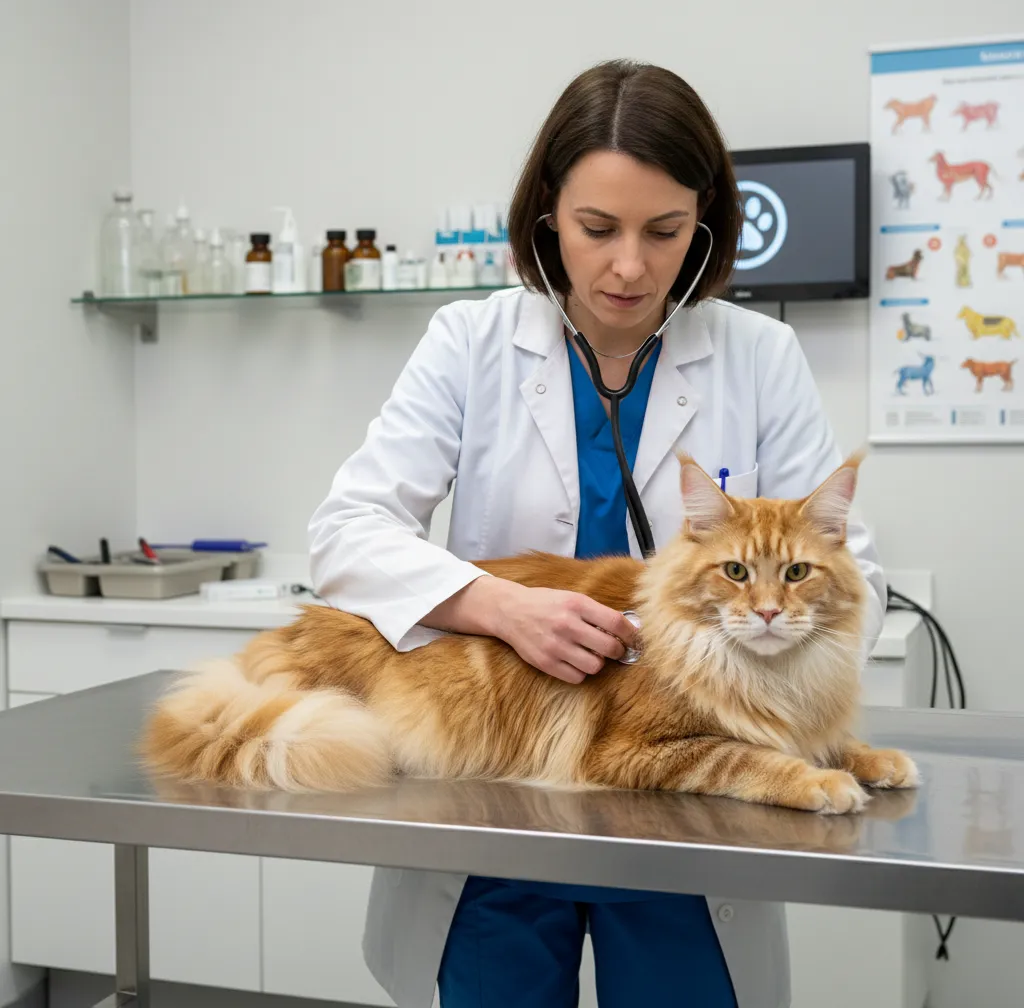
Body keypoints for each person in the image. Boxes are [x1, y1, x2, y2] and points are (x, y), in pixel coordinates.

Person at [309, 59, 885, 1008]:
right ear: (547, 217)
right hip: (504, 789)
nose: (630, 265)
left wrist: (760, 648)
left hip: (694, 801)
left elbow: (848, 559)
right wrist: (499, 607)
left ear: (705, 223)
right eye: (597, 229)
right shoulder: (472, 342)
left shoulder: (759, 356)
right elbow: (347, 530)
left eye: (664, 232)